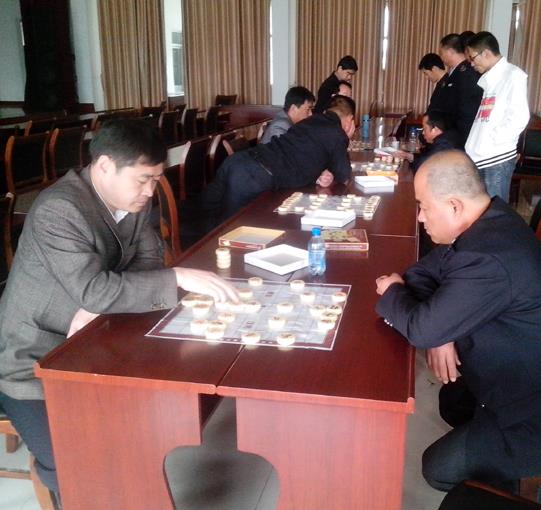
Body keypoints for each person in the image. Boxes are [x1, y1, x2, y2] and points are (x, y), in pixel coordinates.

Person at [0, 119, 239, 498]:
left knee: (133, 434)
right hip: (32, 359)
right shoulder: (59, 209)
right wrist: (173, 278)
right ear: (105, 166)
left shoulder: (133, 199)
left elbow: (146, 261)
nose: (149, 191)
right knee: (74, 462)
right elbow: (95, 290)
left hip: (95, 340)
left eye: (155, 179)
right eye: (142, 179)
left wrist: (101, 302)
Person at [374, 150, 541, 493]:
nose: (419, 217)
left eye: (424, 206)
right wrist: (443, 331)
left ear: (454, 206)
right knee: (452, 402)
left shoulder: (488, 257)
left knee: (437, 468)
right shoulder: (491, 220)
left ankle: (539, 489)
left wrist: (394, 292)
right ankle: (506, 466)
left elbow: (421, 328)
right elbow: (422, 273)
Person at [202, 95, 356, 228]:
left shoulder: (307, 122)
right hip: (253, 175)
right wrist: (346, 138)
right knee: (228, 229)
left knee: (205, 220)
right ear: (349, 119)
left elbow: (305, 153)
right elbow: (343, 174)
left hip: (238, 160)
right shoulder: (337, 134)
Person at [464, 31, 530, 201]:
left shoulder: (513, 75)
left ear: (486, 53)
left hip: (495, 159)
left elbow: (519, 118)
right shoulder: (492, 78)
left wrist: (491, 140)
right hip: (483, 157)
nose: (471, 63)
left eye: (473, 57)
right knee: (483, 207)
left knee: (495, 210)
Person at [437, 32, 483, 149]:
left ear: (450, 51)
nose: (441, 57)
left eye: (441, 53)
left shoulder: (467, 73)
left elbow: (468, 109)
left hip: (461, 136)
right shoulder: (457, 72)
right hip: (453, 134)